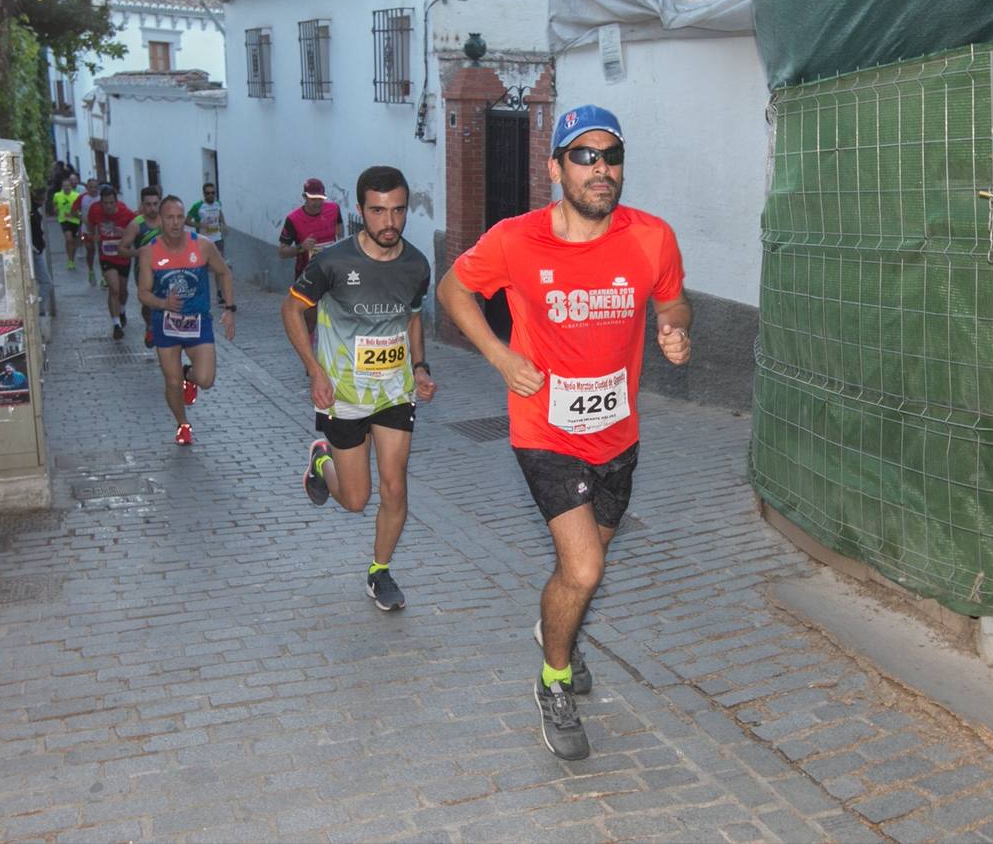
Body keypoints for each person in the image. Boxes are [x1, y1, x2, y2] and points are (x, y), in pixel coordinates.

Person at [436, 104, 691, 761]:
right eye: (584, 156)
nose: (600, 169)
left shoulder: (651, 237)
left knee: (581, 575)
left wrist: (674, 325)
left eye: (611, 156)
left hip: (616, 433)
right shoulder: (515, 240)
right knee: (584, 565)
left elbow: (671, 296)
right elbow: (452, 290)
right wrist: (498, 356)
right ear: (554, 168)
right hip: (543, 428)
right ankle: (553, 681)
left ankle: (559, 633)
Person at [282, 166, 436, 611]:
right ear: (359, 210)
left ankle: (379, 571)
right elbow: (291, 311)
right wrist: (314, 369)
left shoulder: (416, 265)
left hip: (393, 391)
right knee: (354, 499)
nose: (389, 222)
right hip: (343, 395)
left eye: (398, 211)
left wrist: (420, 367)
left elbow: (410, 317)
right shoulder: (332, 263)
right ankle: (321, 458)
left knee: (395, 487)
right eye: (378, 211)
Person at [136, 196, 235, 446]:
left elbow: (224, 272)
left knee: (206, 379)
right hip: (166, 323)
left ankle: (188, 376)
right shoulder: (149, 253)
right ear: (160, 220)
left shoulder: (201, 246)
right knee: (170, 381)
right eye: (170, 217)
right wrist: (162, 304)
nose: (176, 223)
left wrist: (230, 309)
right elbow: (143, 293)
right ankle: (182, 424)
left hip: (197, 321)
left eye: (180, 217)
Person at [278, 177, 343, 336]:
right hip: (307, 275)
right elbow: (282, 251)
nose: (317, 203)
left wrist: (339, 244)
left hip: (332, 273)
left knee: (336, 318)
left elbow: (340, 229)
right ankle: (308, 357)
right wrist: (301, 247)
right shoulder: (293, 219)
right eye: (313, 199)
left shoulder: (334, 209)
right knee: (310, 321)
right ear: (305, 197)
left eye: (320, 198)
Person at [87, 185, 137, 339]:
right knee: (114, 288)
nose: (108, 206)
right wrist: (92, 235)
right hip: (106, 256)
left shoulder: (126, 213)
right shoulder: (95, 210)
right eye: (105, 203)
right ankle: (116, 324)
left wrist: (126, 233)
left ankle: (121, 310)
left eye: (111, 203)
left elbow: (135, 230)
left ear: (116, 202)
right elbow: (90, 224)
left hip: (122, 256)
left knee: (123, 290)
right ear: (101, 202)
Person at [117, 185, 164, 347]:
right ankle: (150, 327)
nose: (152, 208)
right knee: (148, 301)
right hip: (143, 270)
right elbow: (121, 249)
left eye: (155, 204)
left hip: (165, 269)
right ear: (142, 205)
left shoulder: (166, 220)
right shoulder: (136, 224)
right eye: (148, 204)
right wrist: (139, 253)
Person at [188, 182, 227, 304]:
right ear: (204, 194)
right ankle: (200, 291)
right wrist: (200, 225)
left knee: (219, 265)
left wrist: (224, 224)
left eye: (213, 193)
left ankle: (220, 292)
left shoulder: (218, 203)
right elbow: (187, 221)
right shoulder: (198, 206)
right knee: (202, 267)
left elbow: (220, 213)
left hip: (217, 238)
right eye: (208, 193)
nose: (211, 195)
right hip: (203, 240)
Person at [28, 187, 54, 317]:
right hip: (35, 251)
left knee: (42, 282)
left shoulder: (32, 209)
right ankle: (38, 310)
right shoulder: (31, 210)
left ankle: (39, 309)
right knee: (46, 282)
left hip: (35, 249)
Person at [53, 177, 84, 272]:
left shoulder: (76, 195)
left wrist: (77, 215)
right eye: (64, 186)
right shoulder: (57, 195)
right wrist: (56, 210)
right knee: (69, 238)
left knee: (74, 241)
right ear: (62, 187)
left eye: (68, 186)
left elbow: (80, 208)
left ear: (71, 186)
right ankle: (70, 260)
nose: (66, 187)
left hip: (75, 220)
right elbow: (55, 205)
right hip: (64, 220)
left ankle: (72, 259)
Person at [78, 178, 104, 286]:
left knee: (102, 251)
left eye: (95, 187)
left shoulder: (102, 198)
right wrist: (82, 219)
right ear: (87, 188)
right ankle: (91, 271)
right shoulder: (82, 198)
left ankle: (104, 275)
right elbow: (73, 211)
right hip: (86, 228)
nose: (93, 189)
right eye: (91, 187)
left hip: (100, 228)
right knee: (90, 250)